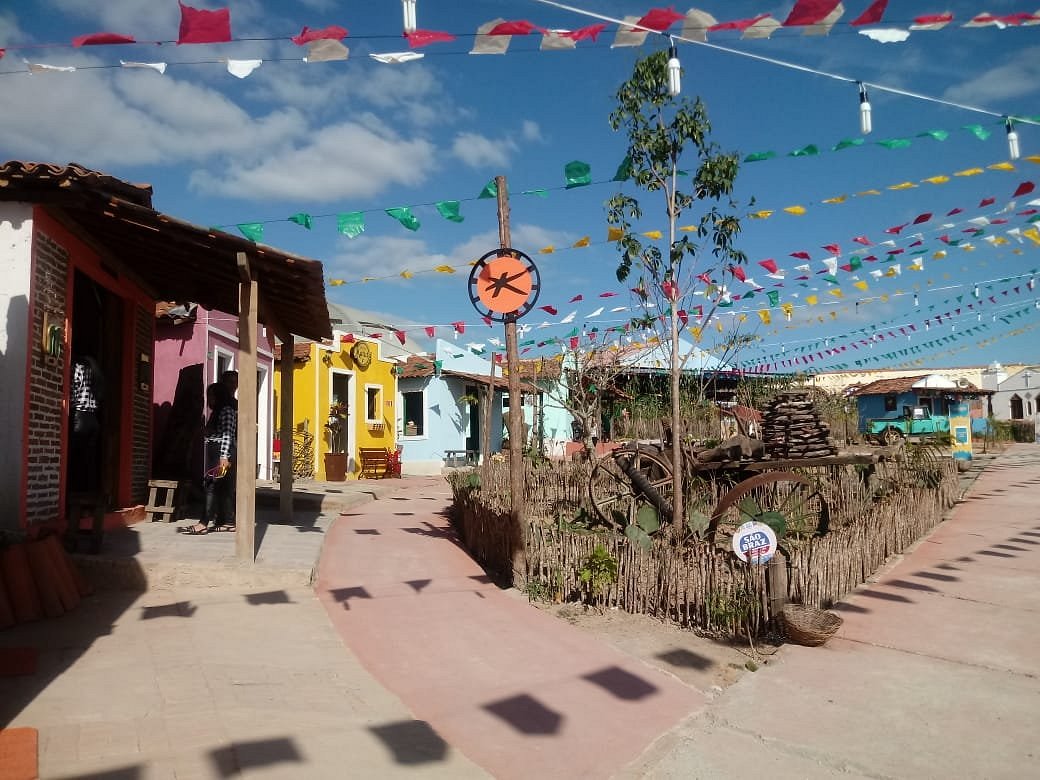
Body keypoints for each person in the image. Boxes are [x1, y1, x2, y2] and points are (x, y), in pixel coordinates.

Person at [182, 382, 237, 535]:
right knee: (223, 488)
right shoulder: (217, 412)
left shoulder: (226, 411)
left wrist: (224, 457)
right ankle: (228, 522)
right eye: (209, 396)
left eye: (213, 396)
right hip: (217, 453)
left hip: (222, 454)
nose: (210, 399)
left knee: (211, 486)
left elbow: (227, 434)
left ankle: (203, 523)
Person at [69, 355, 103, 492]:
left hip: (80, 416)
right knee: (89, 459)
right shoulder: (96, 373)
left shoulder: (78, 369)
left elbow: (73, 392)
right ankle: (89, 492)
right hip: (93, 419)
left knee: (75, 457)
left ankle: (75, 493)